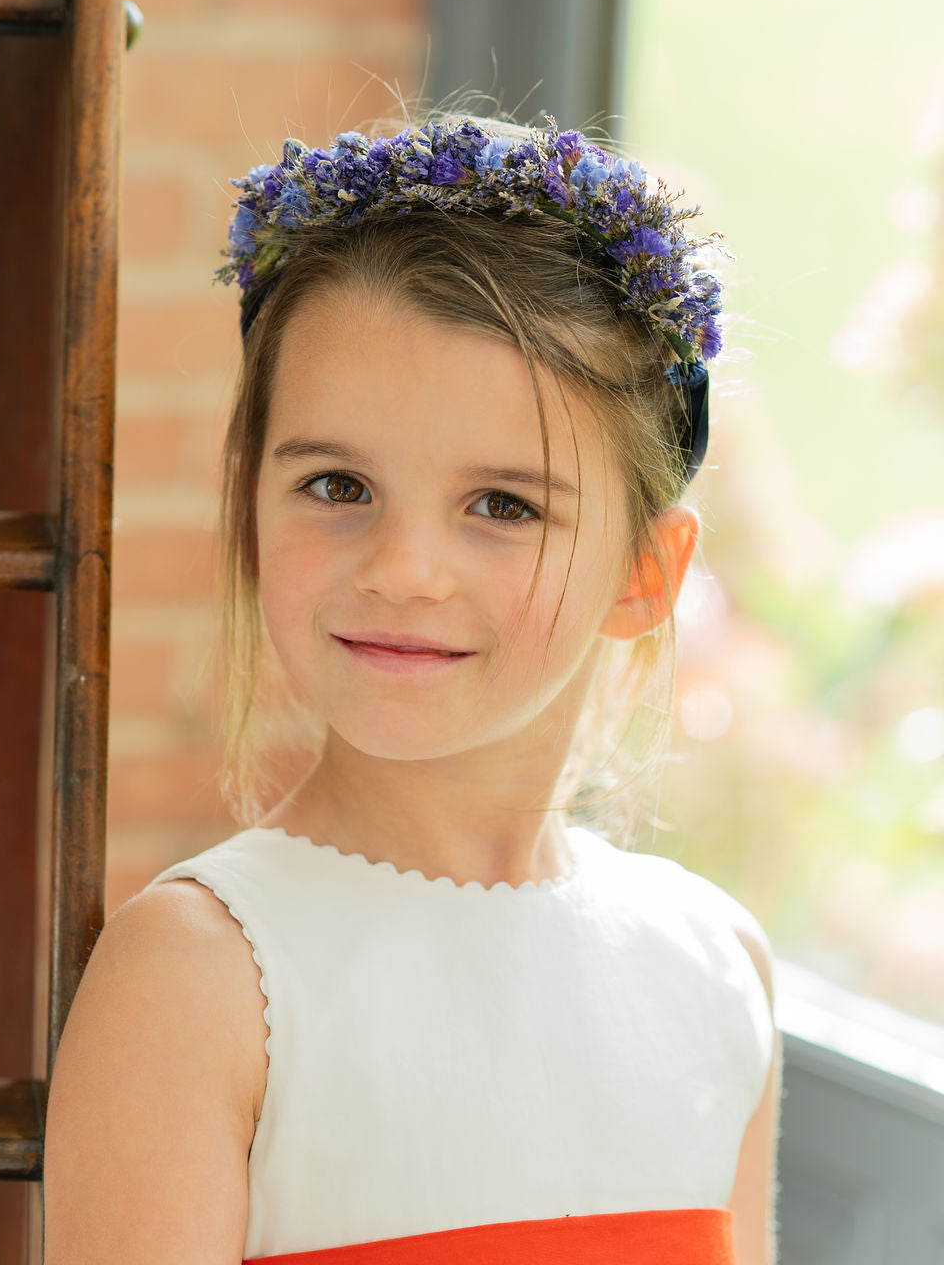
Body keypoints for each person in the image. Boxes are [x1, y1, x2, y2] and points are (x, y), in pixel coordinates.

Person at [43, 113, 781, 1265]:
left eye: (503, 505)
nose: (402, 569)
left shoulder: (716, 966)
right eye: (338, 484)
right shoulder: (202, 975)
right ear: (248, 505)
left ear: (645, 572)